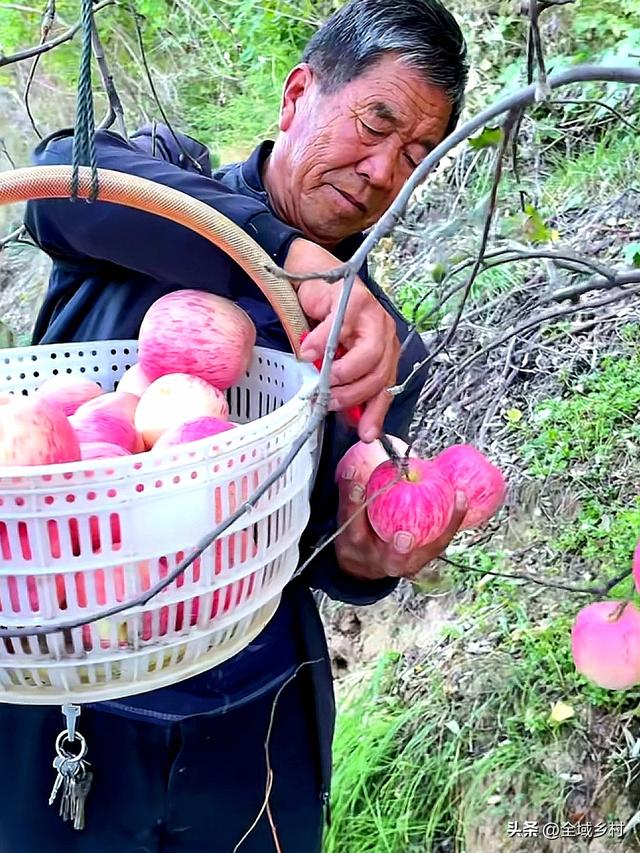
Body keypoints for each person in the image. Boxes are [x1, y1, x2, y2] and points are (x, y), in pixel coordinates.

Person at [0, 1, 468, 850]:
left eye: (414, 155)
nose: (380, 169)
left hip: (251, 714)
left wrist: (369, 558)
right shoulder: (161, 193)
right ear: (298, 96)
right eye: (375, 122)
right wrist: (279, 253)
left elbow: (328, 547)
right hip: (59, 686)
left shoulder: (378, 346)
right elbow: (60, 183)